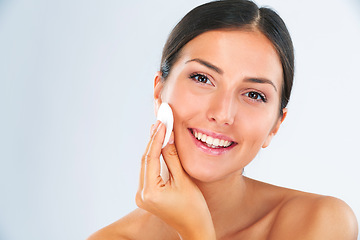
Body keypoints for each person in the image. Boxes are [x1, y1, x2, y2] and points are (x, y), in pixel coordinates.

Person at [88, 0, 358, 239]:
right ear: (159, 90)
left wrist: (196, 231)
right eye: (202, 78)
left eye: (253, 94)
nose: (222, 114)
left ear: (276, 125)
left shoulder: (320, 223)